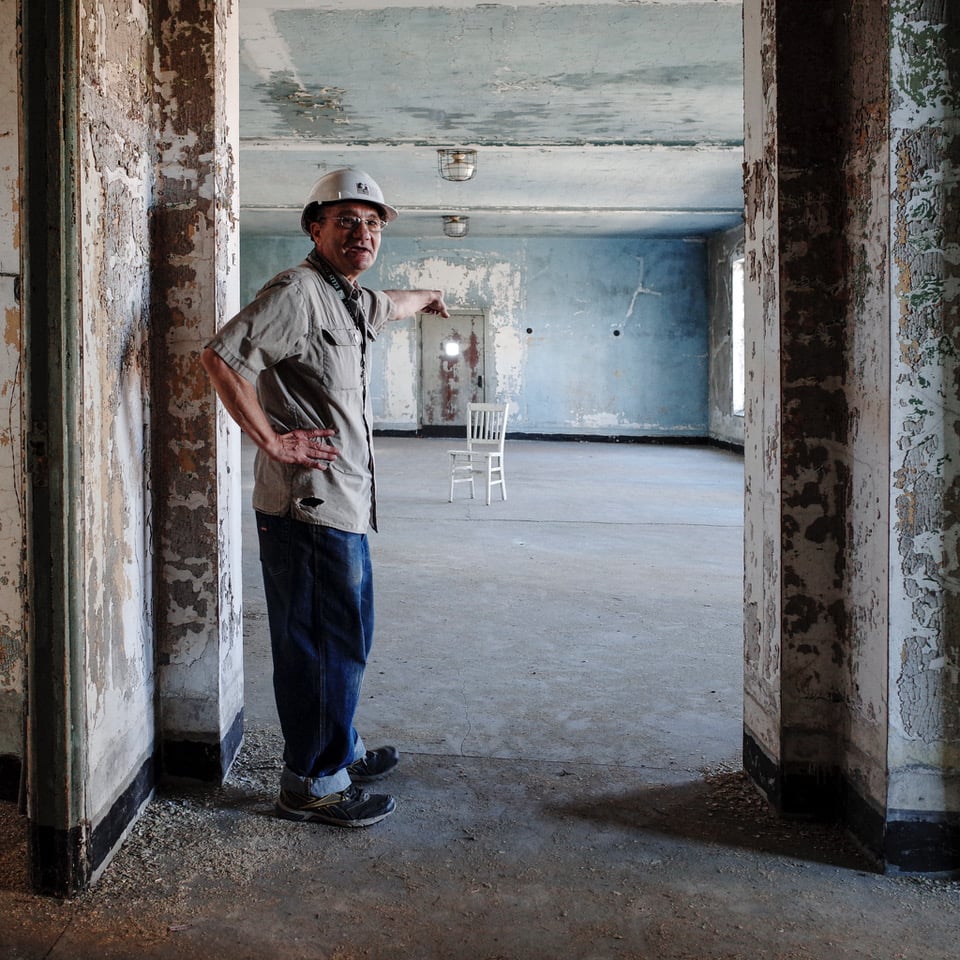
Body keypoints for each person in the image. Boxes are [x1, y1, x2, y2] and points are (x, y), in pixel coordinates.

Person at [201, 168, 449, 827]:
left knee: (348, 635)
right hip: (306, 506)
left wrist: (429, 296)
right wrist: (273, 444)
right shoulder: (300, 292)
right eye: (347, 220)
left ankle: (340, 749)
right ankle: (310, 784)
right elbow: (223, 359)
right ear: (316, 227)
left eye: (372, 223)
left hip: (341, 503)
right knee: (319, 643)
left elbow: (389, 304)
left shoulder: (346, 298)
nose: (362, 232)